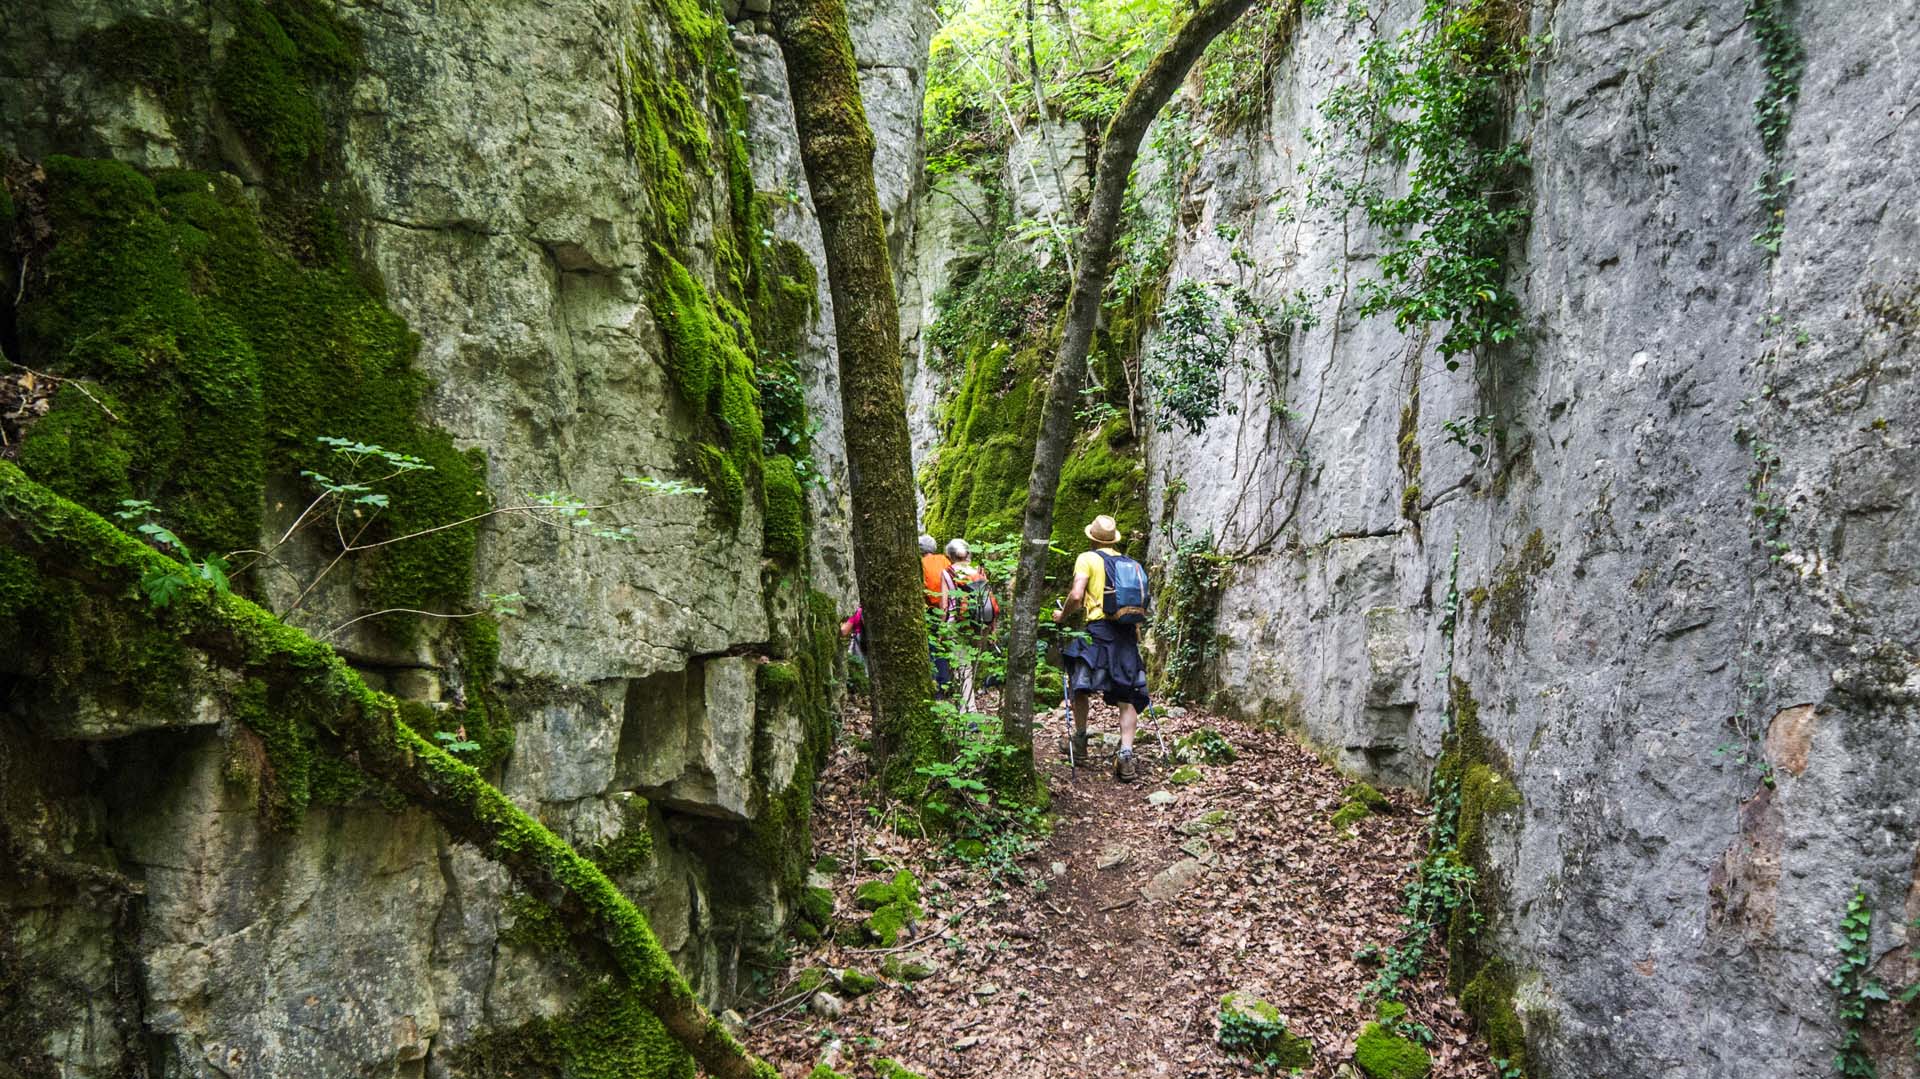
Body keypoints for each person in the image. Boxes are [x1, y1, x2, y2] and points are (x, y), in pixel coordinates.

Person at [1053, 514, 1151, 782]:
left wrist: (1062, 616)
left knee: (1080, 684)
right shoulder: (1130, 563)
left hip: (1099, 632)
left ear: (1092, 538)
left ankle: (1081, 742)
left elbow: (1076, 594)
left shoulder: (1087, 558)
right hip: (1126, 633)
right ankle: (1126, 755)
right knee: (1128, 693)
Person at [940, 538, 999, 712]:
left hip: (957, 623)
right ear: (968, 553)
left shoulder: (948, 573)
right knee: (971, 665)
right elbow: (989, 600)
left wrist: (942, 631)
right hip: (980, 624)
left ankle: (968, 711)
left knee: (962, 667)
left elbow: (944, 606)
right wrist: (992, 628)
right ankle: (968, 705)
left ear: (950, 556)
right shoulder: (979, 571)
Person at [919, 533, 953, 695]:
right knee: (944, 647)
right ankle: (947, 682)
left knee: (933, 648)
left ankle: (938, 687)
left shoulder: (921, 563)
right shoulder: (944, 560)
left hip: (933, 610)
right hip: (951, 608)